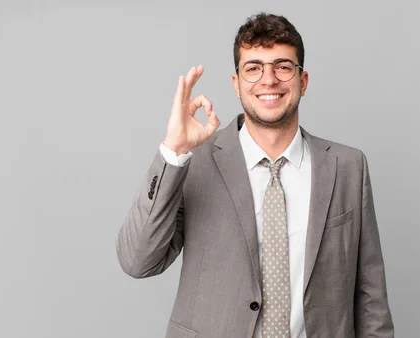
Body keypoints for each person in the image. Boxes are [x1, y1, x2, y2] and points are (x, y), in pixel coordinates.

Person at [117, 12, 394, 338]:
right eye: (253, 68)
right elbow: (138, 261)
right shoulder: (196, 163)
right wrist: (173, 150)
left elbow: (370, 296)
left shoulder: (348, 167)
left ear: (302, 81)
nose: (269, 80)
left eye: (283, 67)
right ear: (236, 84)